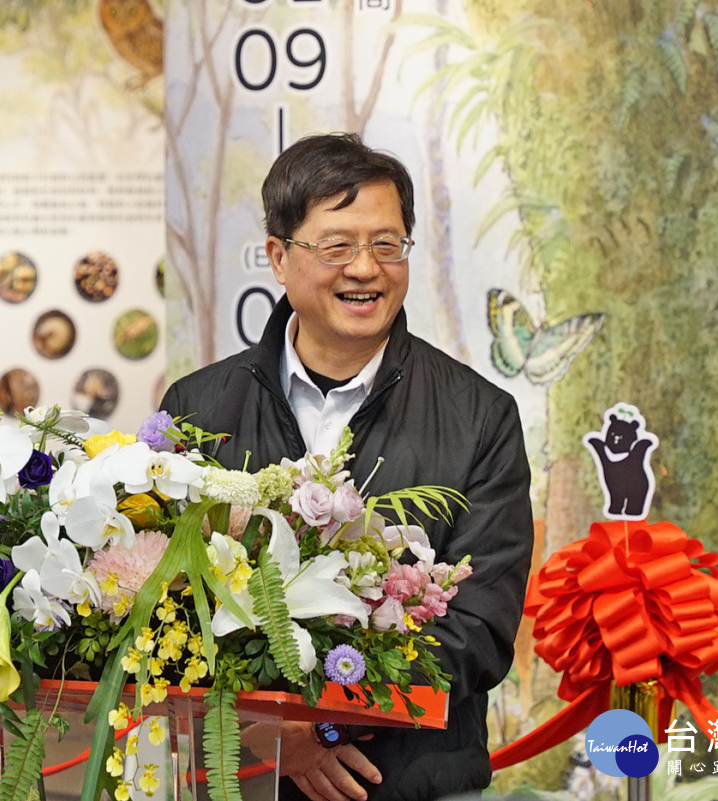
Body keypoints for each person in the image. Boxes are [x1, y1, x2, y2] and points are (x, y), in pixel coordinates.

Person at [160, 133, 533, 801]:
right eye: (337, 246)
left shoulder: (480, 416)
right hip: (241, 780)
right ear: (279, 257)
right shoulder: (197, 407)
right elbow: (166, 607)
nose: (365, 268)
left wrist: (325, 723)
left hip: (412, 783)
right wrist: (262, 728)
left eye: (387, 245)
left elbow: (480, 628)